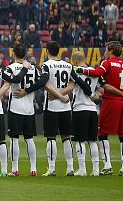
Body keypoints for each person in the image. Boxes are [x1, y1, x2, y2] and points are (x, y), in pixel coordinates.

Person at [0, 45, 50, 177]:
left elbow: (7, 85)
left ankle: (15, 169)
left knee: (14, 139)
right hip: (29, 109)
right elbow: (41, 83)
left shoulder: (11, 68)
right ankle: (33, 169)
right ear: (25, 54)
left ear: (14, 54)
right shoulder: (33, 68)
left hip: (15, 108)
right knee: (29, 139)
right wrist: (28, 91)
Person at [77, 41, 123, 175]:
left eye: (106, 50)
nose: (104, 52)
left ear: (111, 51)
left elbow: (96, 73)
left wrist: (80, 69)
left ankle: (107, 165)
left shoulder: (107, 63)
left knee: (102, 134)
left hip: (111, 101)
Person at [39, 41, 76, 176]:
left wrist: (58, 96)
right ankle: (70, 168)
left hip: (52, 106)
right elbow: (73, 83)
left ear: (47, 51)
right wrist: (63, 95)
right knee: (66, 137)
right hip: (66, 107)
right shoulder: (68, 65)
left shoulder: (46, 65)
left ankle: (52, 168)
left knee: (51, 137)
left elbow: (45, 84)